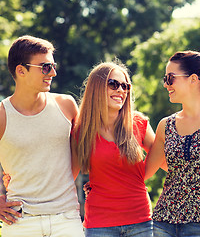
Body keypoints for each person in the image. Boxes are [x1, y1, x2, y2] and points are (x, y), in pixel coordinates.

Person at [145, 49, 200, 236]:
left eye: (170, 78)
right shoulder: (166, 125)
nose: (166, 84)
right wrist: (101, 183)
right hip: (164, 221)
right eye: (165, 79)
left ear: (193, 79)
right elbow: (143, 173)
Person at [0, 35, 84, 236]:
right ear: (21, 70)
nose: (53, 73)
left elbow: (81, 155)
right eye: (45, 67)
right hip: (20, 221)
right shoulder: (2, 115)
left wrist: (55, 186)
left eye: (54, 66)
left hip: (66, 219)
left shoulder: (67, 106)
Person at [72, 61, 155, 237]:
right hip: (99, 224)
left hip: (141, 221)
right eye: (113, 84)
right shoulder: (81, 130)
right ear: (96, 88)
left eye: (125, 86)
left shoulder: (138, 123)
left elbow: (166, 160)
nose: (121, 90)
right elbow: (66, 174)